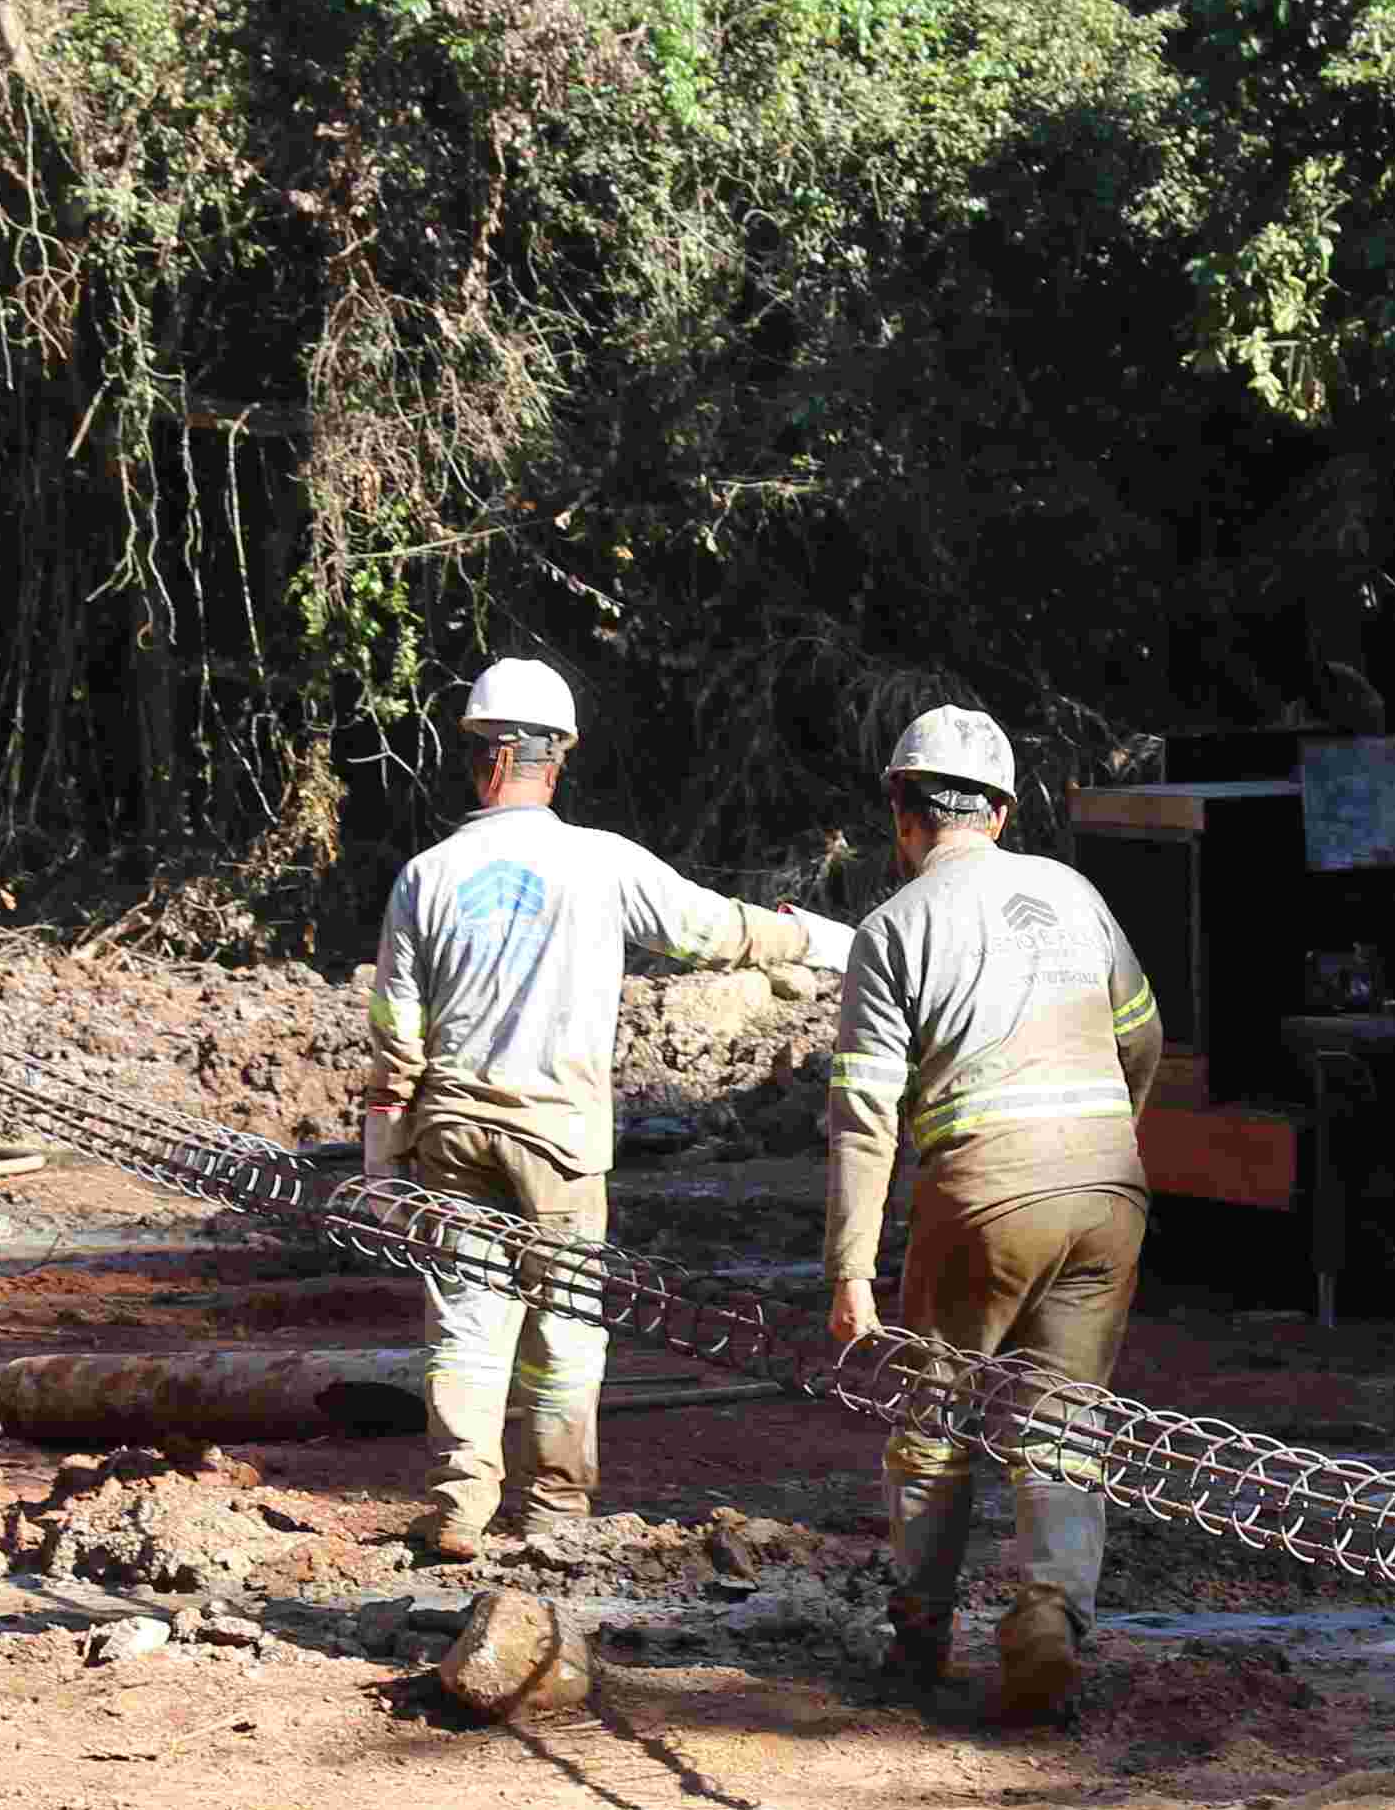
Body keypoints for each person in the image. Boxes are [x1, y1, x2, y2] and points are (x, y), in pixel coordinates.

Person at [364, 655, 850, 1561]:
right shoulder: (600, 864)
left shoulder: (426, 876)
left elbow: (396, 1031)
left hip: (453, 1133)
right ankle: (553, 1513)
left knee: (467, 1318)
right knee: (566, 1325)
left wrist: (381, 1165)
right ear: (558, 760)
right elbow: (718, 931)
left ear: (482, 759)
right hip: (559, 1140)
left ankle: (458, 1509)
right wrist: (828, 939)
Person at [820, 704, 1161, 1727]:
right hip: (1108, 1194)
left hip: (982, 1196)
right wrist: (1099, 1150)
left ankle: (920, 1638)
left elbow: (863, 1117)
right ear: (1004, 811)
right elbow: (1141, 1041)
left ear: (901, 810)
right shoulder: (1073, 893)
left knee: (935, 1418)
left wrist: (848, 1270)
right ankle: (1048, 1616)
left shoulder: (892, 930)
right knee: (1065, 1422)